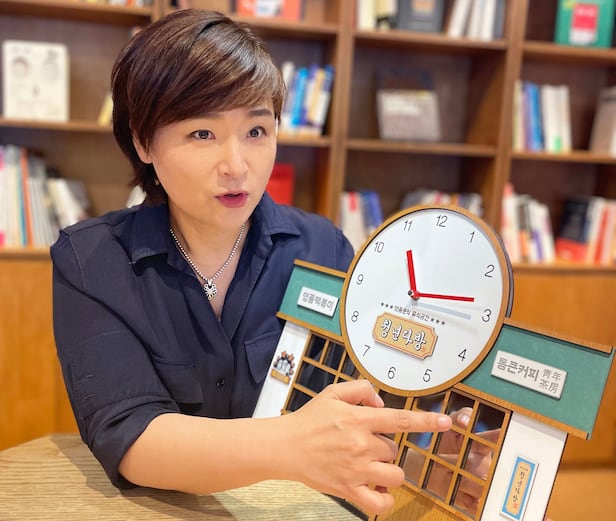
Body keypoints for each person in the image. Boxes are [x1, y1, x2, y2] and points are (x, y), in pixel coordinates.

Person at [51, 9, 554, 520]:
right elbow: (132, 437)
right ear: (143, 142)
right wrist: (292, 444)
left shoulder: (322, 248)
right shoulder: (90, 261)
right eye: (202, 134)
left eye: (256, 131)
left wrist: (431, 466)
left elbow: (368, 409)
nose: (237, 166)